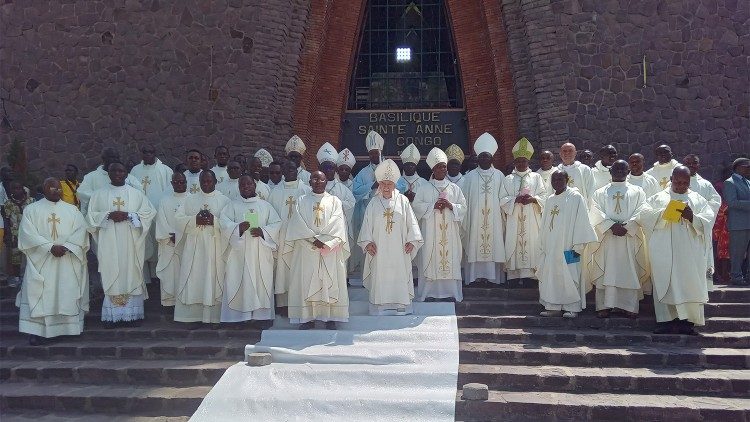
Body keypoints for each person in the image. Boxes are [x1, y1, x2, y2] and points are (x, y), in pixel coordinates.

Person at [638, 166, 713, 335]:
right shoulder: (658, 198)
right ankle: (665, 321)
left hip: (689, 253)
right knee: (666, 282)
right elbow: (644, 216)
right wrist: (666, 213)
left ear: (689, 182)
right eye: (678, 182)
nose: (681, 186)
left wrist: (692, 217)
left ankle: (688, 322)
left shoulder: (698, 199)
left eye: (685, 183)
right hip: (664, 250)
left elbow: (708, 220)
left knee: (688, 283)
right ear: (671, 179)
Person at [17, 178, 89, 345]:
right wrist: (49, 247)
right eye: (51, 188)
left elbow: (81, 231)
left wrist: (68, 246)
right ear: (43, 189)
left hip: (67, 259)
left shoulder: (72, 210)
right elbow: (27, 234)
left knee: (66, 291)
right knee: (42, 294)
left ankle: (67, 329)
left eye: (58, 188)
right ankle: (37, 331)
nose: (55, 191)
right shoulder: (32, 210)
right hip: (42, 260)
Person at [87, 162, 156, 327]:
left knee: (131, 272)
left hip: (131, 244)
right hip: (109, 243)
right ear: (108, 173)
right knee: (112, 273)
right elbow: (90, 217)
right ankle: (114, 316)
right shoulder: (98, 195)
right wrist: (108, 215)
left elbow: (149, 213)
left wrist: (130, 215)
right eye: (114, 171)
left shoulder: (136, 194)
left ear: (126, 174)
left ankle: (134, 315)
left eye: (121, 170)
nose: (118, 173)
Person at [284, 171, 350, 329]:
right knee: (306, 281)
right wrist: (314, 240)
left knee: (329, 280)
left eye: (321, 178)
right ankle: (308, 318)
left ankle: (330, 317)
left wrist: (325, 242)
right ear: (309, 181)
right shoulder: (301, 200)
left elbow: (338, 223)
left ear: (326, 181)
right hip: (307, 250)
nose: (317, 181)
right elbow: (297, 223)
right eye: (314, 178)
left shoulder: (334, 201)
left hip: (329, 250)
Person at [358, 159, 423, 315]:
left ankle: (401, 305)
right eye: (383, 183)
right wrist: (367, 243)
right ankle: (379, 307)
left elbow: (412, 223)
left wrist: (412, 241)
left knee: (399, 273)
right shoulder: (373, 203)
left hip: (399, 248)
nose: (386, 187)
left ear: (395, 184)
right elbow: (366, 225)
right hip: (379, 249)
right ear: (379, 184)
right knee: (380, 274)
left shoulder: (403, 201)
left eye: (390, 183)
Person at [588, 160, 648, 318]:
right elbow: (596, 211)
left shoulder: (638, 191)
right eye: (616, 168)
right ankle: (604, 306)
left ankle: (628, 306)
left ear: (629, 171)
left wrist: (627, 227)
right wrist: (610, 226)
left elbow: (642, 209)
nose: (620, 171)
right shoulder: (600, 192)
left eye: (623, 168)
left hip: (629, 238)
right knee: (606, 269)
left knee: (628, 271)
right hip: (607, 238)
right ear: (610, 171)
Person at [219, 175, 281, 327]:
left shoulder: (265, 206)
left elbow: (276, 223)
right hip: (239, 254)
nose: (245, 186)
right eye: (242, 184)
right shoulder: (231, 205)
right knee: (240, 282)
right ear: (238, 187)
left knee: (262, 282)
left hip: (260, 251)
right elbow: (223, 223)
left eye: (248, 183)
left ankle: (262, 317)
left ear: (255, 185)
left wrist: (263, 232)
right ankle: (240, 317)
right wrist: (237, 228)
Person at [536, 170, 598, 318]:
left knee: (571, 274)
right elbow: (545, 223)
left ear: (567, 180)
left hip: (571, 246)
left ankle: (572, 307)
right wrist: (543, 243)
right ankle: (553, 306)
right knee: (551, 274)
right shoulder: (550, 199)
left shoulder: (575, 197)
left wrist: (578, 245)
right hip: (551, 246)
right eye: (554, 179)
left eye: (560, 179)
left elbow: (582, 220)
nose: (557, 182)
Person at [173, 170, 230, 325]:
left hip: (214, 246)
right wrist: (194, 220)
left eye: (209, 181)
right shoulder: (189, 200)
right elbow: (177, 220)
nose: (205, 184)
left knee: (212, 278)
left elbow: (228, 223)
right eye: (203, 181)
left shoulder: (224, 200)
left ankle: (213, 318)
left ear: (215, 182)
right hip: (194, 247)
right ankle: (191, 317)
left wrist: (214, 220)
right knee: (193, 278)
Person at [412, 147, 467, 302]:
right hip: (431, 232)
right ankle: (428, 293)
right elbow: (416, 207)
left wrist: (451, 206)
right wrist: (432, 206)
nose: (442, 169)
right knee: (431, 259)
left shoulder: (454, 188)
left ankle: (452, 293)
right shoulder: (424, 188)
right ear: (433, 169)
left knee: (450, 259)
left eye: (444, 166)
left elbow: (463, 207)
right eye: (439, 167)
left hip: (450, 232)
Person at [462, 133, 507, 286]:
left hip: (494, 219)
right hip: (474, 220)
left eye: (487, 157)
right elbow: (463, 201)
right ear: (477, 158)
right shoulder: (469, 177)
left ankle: (493, 278)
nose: (484, 159)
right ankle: (475, 277)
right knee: (475, 243)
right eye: (481, 157)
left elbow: (504, 198)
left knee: (494, 244)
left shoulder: (499, 176)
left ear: (492, 158)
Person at [500, 138, 547, 285]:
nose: (521, 163)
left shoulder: (536, 177)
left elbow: (544, 196)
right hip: (514, 217)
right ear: (515, 162)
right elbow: (502, 199)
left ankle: (532, 277)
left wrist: (533, 199)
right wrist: (515, 200)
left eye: (524, 161)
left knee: (532, 243)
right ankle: (515, 276)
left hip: (532, 217)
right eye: (519, 161)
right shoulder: (508, 179)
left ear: (528, 162)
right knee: (514, 243)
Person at [268, 160, 311, 310]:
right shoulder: (275, 192)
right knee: (282, 269)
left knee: (299, 268)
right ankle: (283, 303)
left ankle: (300, 302)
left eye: (293, 168)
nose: (290, 171)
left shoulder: (306, 190)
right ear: (283, 172)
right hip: (281, 236)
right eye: (287, 169)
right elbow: (270, 217)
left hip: (300, 238)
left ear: (297, 171)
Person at [130, 145, 174, 282]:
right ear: (141, 153)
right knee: (142, 244)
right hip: (140, 215)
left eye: (151, 151)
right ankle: (145, 279)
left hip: (158, 214)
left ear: (155, 153)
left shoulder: (165, 170)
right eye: (145, 151)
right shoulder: (135, 170)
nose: (148, 154)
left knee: (157, 244)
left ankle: (158, 278)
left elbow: (169, 192)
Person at [683, 154, 722, 290]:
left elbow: (715, 202)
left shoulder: (705, 184)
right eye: (688, 163)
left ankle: (701, 288)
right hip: (681, 228)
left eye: (694, 163)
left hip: (700, 228)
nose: (691, 166)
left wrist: (699, 218)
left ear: (699, 165)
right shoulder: (675, 182)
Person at [351, 130, 385, 284]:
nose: (373, 156)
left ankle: (385, 278)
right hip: (368, 213)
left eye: (375, 153)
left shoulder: (389, 168)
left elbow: (400, 186)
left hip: (386, 214)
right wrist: (372, 185)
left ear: (380, 151)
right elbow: (355, 191)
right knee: (370, 244)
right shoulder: (363, 173)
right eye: (371, 154)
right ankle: (369, 278)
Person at [154, 172, 188, 307]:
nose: (179, 184)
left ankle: (186, 302)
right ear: (172, 183)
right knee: (171, 274)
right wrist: (171, 236)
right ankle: (170, 303)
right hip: (169, 243)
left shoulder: (191, 200)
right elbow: (161, 221)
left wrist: (182, 236)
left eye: (182, 182)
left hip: (187, 244)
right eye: (176, 182)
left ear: (186, 182)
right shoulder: (165, 201)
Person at [77, 147, 142, 214]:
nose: (115, 160)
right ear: (103, 158)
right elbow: (82, 193)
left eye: (117, 157)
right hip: (101, 216)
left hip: (126, 215)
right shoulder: (91, 177)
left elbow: (140, 194)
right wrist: (104, 198)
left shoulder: (129, 177)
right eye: (112, 157)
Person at [318, 143, 355, 249]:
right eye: (325, 167)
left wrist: (333, 203)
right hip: (317, 230)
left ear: (335, 169)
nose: (328, 170)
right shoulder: (312, 187)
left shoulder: (344, 190)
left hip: (336, 233)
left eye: (331, 167)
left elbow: (351, 205)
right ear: (320, 168)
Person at [3, 180, 35, 287]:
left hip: (29, 233)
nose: (16, 190)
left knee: (30, 255)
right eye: (14, 188)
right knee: (15, 256)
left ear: (23, 189)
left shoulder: (31, 201)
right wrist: (8, 234)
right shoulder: (8, 203)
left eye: (19, 188)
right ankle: (17, 277)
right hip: (15, 234)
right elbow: (6, 219)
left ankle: (27, 277)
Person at [723, 157, 750, 286]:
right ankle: (736, 276)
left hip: (747, 223)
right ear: (738, 168)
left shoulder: (748, 182)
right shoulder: (730, 183)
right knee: (737, 252)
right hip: (739, 225)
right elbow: (732, 202)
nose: (749, 169)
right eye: (747, 166)